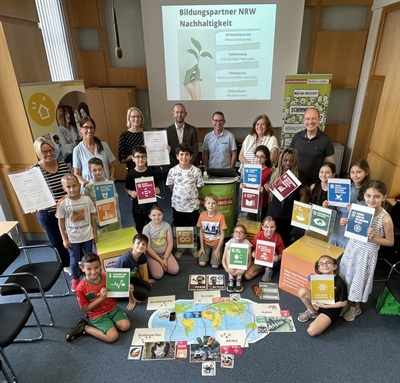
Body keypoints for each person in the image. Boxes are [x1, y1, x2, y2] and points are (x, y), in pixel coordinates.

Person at [339, 180, 394, 321]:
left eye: (376, 196)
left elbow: (390, 241)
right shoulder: (358, 209)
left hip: (367, 253)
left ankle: (355, 306)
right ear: (364, 195)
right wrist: (345, 223)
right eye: (368, 195)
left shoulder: (385, 218)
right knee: (347, 275)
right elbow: (354, 229)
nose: (371, 199)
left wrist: (375, 237)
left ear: (384, 197)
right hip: (352, 248)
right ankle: (347, 301)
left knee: (359, 279)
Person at [66, 253, 134, 343]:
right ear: (82, 269)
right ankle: (85, 328)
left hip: (112, 308)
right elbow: (85, 308)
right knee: (112, 337)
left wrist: (127, 289)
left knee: (125, 326)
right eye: (89, 269)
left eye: (96, 267)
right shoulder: (80, 288)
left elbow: (117, 291)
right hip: (97, 314)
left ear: (100, 266)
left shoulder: (107, 276)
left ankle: (110, 323)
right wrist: (100, 298)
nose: (93, 272)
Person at [32, 137, 71, 269]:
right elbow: (30, 194)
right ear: (38, 153)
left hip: (67, 209)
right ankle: (65, 265)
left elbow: (71, 183)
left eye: (51, 150)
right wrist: (32, 204)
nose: (49, 154)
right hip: (48, 213)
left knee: (71, 235)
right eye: (44, 152)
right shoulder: (34, 171)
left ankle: (77, 261)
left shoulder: (63, 165)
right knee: (58, 241)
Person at [56, 174, 97, 292]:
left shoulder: (86, 199)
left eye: (74, 186)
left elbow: (92, 216)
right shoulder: (63, 203)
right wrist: (64, 238)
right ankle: (75, 279)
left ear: (79, 185)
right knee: (74, 259)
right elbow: (61, 222)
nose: (72, 189)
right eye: (68, 187)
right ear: (64, 188)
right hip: (73, 238)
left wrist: (94, 232)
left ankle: (90, 277)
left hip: (87, 235)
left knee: (89, 257)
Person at [166, 143, 204, 258]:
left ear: (191, 156)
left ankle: (193, 246)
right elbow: (170, 185)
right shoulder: (173, 171)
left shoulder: (196, 171)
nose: (184, 157)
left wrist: (191, 195)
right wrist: (178, 194)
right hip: (178, 205)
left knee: (192, 226)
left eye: (187, 154)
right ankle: (181, 247)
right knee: (180, 226)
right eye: (181, 154)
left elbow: (199, 186)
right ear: (177, 156)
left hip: (192, 205)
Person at [265, 148, 307, 247]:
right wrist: (267, 187)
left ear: (295, 161)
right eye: (285, 160)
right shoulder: (274, 173)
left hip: (288, 213)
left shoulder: (299, 175)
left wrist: (299, 212)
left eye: (291, 161)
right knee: (270, 237)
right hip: (273, 211)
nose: (288, 163)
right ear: (281, 160)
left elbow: (303, 195)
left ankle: (282, 259)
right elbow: (268, 189)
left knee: (284, 240)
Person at [297, 255, 348, 336]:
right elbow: (314, 291)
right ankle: (312, 312)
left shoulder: (340, 283)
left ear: (334, 266)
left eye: (328, 263)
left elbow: (344, 303)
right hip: (319, 303)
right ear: (319, 268)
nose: (325, 265)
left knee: (311, 331)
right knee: (302, 291)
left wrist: (324, 306)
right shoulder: (318, 278)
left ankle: (319, 317)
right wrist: (315, 302)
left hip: (330, 308)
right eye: (322, 264)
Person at [328, 158, 370, 249]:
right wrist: (328, 205)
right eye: (352, 172)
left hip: (354, 228)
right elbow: (333, 208)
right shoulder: (344, 187)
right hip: (338, 226)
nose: (355, 175)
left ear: (366, 172)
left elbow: (369, 214)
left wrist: (355, 209)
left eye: (359, 172)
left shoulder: (369, 191)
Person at [290, 107, 335, 185]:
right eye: (307, 119)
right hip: (295, 180)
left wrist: (328, 182)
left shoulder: (326, 139)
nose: (310, 122)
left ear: (319, 120)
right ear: (303, 121)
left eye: (313, 118)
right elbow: (290, 157)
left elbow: (330, 163)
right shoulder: (297, 137)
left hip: (315, 182)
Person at [125, 146, 160, 233]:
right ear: (133, 158)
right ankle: (141, 243)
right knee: (139, 226)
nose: (140, 159)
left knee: (152, 225)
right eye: (137, 157)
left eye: (143, 156)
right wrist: (131, 192)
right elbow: (127, 188)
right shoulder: (130, 174)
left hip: (151, 205)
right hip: (138, 206)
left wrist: (157, 190)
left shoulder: (152, 172)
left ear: (146, 158)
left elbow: (156, 187)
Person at [73, 117, 116, 187]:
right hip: (89, 187)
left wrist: (111, 179)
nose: (89, 130)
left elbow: (112, 166)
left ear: (94, 129)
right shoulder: (77, 150)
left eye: (91, 127)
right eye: (86, 127)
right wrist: (83, 183)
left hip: (106, 186)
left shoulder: (103, 145)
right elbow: (76, 173)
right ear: (80, 129)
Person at [114, 234, 156, 303]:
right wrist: (131, 298)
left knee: (148, 287)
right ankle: (118, 297)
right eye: (138, 243)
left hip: (129, 278)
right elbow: (122, 278)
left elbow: (140, 268)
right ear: (132, 245)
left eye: (143, 244)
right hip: (119, 283)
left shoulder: (142, 255)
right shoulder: (126, 260)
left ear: (146, 248)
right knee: (144, 294)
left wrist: (144, 280)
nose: (141, 246)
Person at [84, 157, 121, 233]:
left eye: (99, 169)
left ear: (103, 169)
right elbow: (87, 202)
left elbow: (116, 197)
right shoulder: (88, 186)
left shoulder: (109, 183)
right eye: (94, 170)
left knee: (114, 235)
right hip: (97, 217)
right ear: (89, 170)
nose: (97, 172)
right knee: (101, 237)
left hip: (110, 214)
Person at [142, 205, 179, 279]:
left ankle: (163, 264)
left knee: (175, 270)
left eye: (159, 214)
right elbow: (148, 248)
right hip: (152, 255)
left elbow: (170, 243)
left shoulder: (167, 226)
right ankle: (159, 264)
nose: (157, 217)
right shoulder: (146, 228)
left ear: (163, 215)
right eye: (154, 215)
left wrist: (165, 258)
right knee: (158, 275)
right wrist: (160, 261)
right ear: (149, 216)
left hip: (165, 253)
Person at [244, 216, 285, 282]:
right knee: (247, 276)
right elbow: (252, 247)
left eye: (272, 227)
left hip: (272, 262)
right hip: (260, 259)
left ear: (275, 227)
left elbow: (283, 253)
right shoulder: (259, 235)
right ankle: (264, 268)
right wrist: (253, 253)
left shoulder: (277, 237)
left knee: (273, 251)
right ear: (263, 227)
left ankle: (268, 269)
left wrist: (278, 257)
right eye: (267, 227)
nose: (269, 229)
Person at [240, 145, 272, 219]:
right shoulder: (251, 169)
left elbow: (271, 190)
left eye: (262, 157)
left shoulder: (269, 171)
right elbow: (248, 184)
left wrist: (263, 190)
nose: (259, 159)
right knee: (250, 224)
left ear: (266, 158)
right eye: (257, 156)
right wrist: (243, 186)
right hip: (250, 202)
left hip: (262, 204)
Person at [197, 194, 227, 269]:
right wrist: (201, 247)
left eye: (213, 203)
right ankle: (207, 254)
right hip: (206, 243)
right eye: (208, 203)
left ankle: (215, 252)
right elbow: (201, 231)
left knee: (215, 266)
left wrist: (217, 250)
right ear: (205, 204)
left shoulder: (220, 216)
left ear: (217, 204)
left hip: (217, 243)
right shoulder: (202, 215)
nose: (211, 205)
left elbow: (223, 234)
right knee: (202, 263)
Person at [222, 224, 251, 293]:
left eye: (241, 232)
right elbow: (223, 259)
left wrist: (243, 271)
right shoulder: (229, 243)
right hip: (230, 266)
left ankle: (239, 279)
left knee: (243, 253)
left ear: (245, 235)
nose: (238, 233)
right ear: (233, 234)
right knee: (229, 252)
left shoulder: (247, 243)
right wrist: (227, 269)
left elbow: (249, 261)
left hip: (241, 267)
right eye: (236, 231)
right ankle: (231, 278)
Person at [118, 107, 145, 172]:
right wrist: (136, 154)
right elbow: (121, 159)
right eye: (133, 117)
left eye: (138, 117)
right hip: (133, 171)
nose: (136, 119)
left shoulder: (147, 133)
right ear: (129, 119)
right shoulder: (124, 135)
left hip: (147, 169)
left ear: (141, 118)